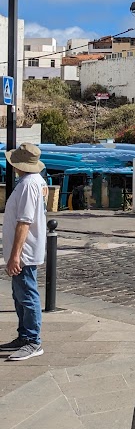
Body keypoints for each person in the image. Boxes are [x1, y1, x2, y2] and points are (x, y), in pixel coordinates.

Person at [2, 142, 47, 360]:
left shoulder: (29, 184)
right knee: (20, 294)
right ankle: (25, 335)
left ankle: (32, 340)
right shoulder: (33, 182)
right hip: (26, 250)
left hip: (25, 251)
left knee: (27, 295)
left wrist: (15, 255)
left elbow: (24, 221)